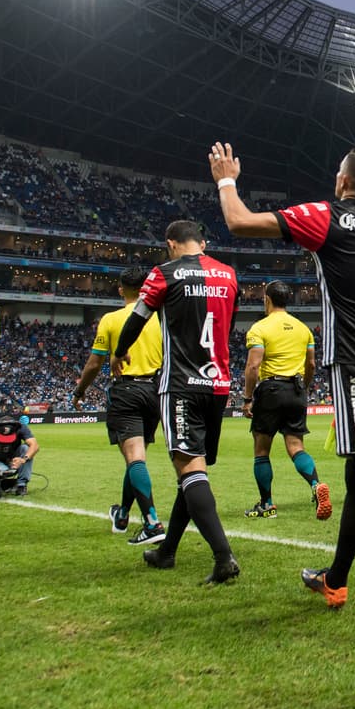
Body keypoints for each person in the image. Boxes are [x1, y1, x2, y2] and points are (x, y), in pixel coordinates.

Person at [212, 140, 355, 644]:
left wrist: (226, 178)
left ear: (343, 181)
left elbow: (239, 223)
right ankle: (334, 581)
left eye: (338, 172)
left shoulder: (327, 216)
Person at [113, 220, 241, 586]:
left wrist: (120, 352)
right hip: (218, 383)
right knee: (194, 470)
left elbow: (138, 318)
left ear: (171, 243)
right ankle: (167, 551)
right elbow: (227, 325)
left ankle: (223, 557)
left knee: (189, 469)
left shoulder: (164, 273)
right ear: (203, 242)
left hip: (182, 384)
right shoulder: (228, 274)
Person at [74, 265, 167, 546]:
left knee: (135, 457)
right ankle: (124, 514)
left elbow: (94, 363)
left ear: (120, 290)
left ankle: (151, 521)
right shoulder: (161, 319)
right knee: (136, 458)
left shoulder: (112, 319)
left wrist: (80, 391)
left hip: (126, 390)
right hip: (156, 390)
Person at [240, 280, 330, 521]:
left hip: (271, 389)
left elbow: (253, 366)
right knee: (296, 447)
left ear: (267, 299)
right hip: (297, 389)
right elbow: (311, 364)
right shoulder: (303, 328)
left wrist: (247, 399)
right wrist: (305, 388)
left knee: (261, 450)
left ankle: (266, 504)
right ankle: (315, 485)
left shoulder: (259, 328)